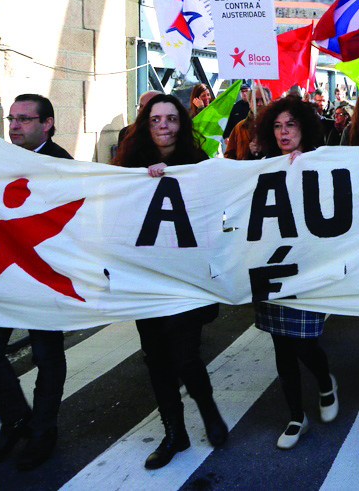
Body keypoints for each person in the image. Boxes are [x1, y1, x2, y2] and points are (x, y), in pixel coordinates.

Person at [112, 94, 229, 468]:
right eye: (156, 119)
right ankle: (174, 432)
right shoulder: (128, 165)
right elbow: (112, 212)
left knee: (185, 356)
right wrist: (139, 184)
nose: (163, 125)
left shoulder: (198, 164)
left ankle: (208, 411)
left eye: (171, 118)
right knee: (157, 360)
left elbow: (218, 209)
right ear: (147, 124)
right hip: (147, 279)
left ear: (182, 122)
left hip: (186, 280)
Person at [0, 94, 72, 471]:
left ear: (47, 123)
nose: (15, 126)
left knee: (47, 356)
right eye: (12, 118)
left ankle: (43, 431)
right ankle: (15, 420)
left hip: (41, 279)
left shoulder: (65, 166)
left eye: (24, 119)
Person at [250, 97, 339, 449]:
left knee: (304, 342)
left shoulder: (321, 161)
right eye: (277, 125)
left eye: (291, 125)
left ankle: (325, 381)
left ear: (304, 126)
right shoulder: (260, 165)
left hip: (306, 266)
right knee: (281, 346)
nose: (283, 132)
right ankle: (295, 417)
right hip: (272, 266)